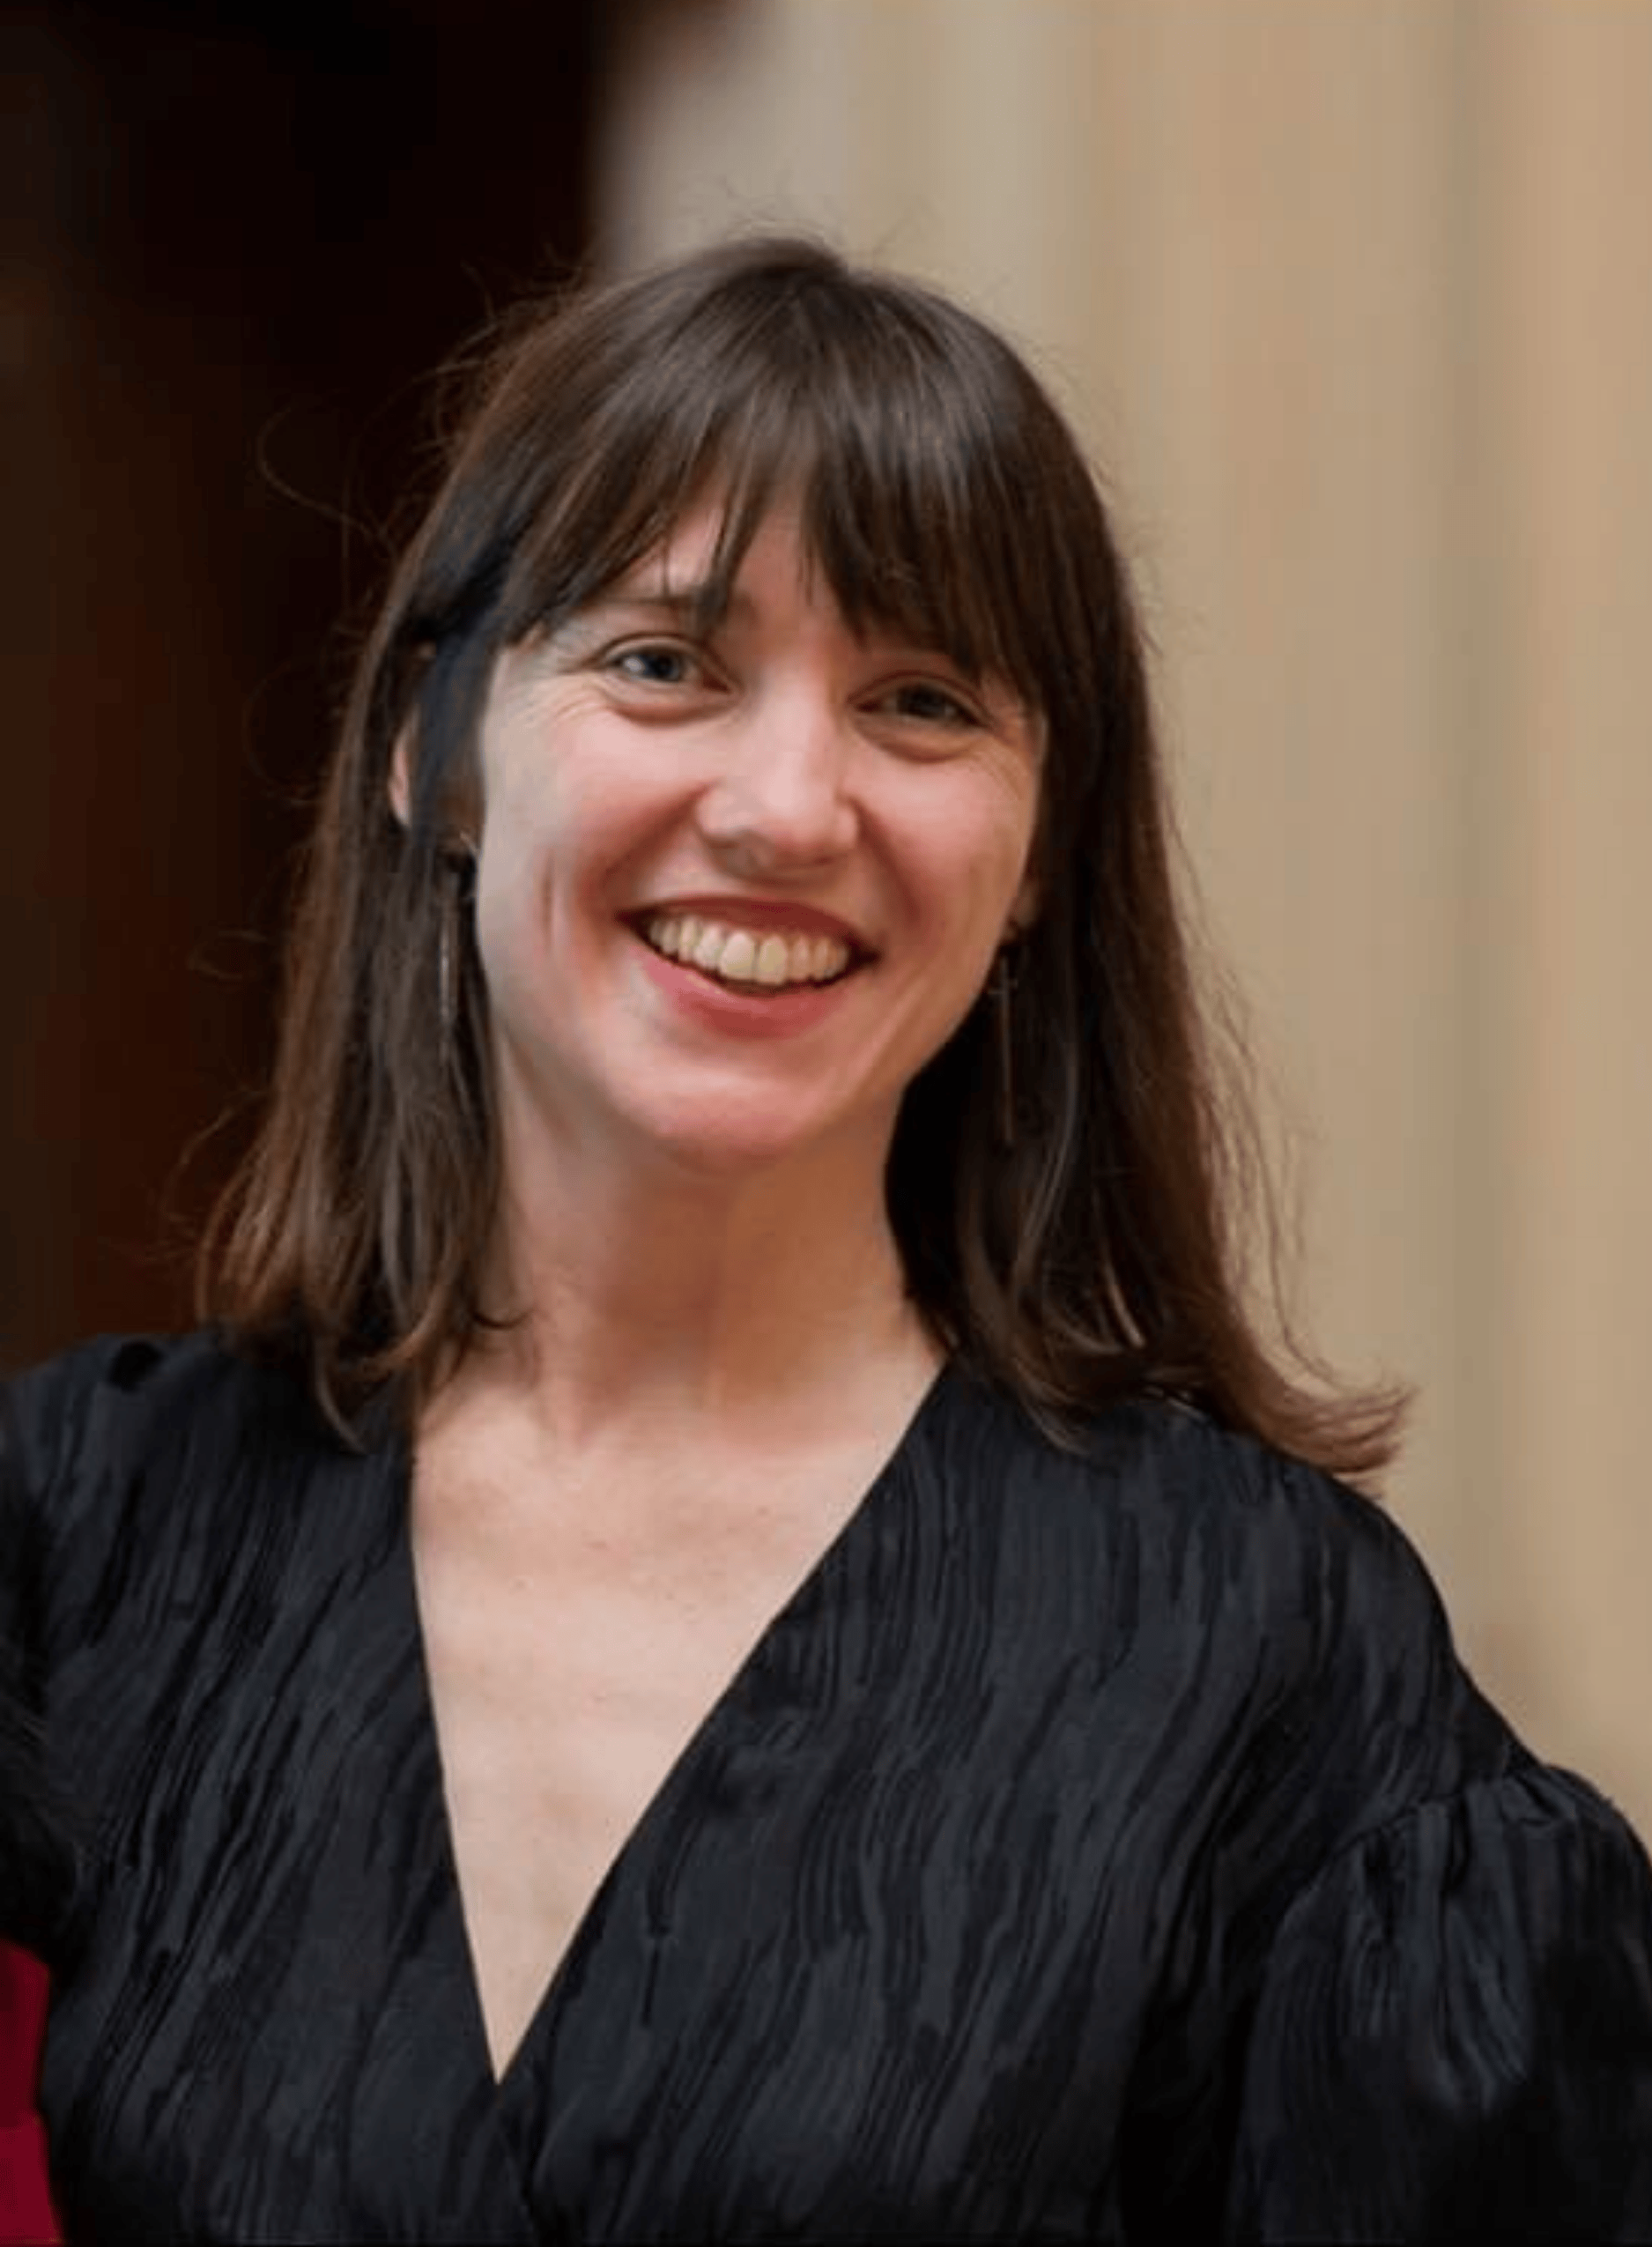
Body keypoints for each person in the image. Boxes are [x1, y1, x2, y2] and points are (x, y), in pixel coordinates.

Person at [7, 234, 1652, 2243]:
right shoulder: (81, 1535)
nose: (788, 805)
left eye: (921, 700)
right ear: (429, 760)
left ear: (1041, 858)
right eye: (662, 661)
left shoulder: (1270, 1654)